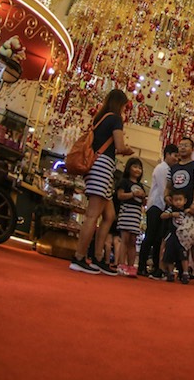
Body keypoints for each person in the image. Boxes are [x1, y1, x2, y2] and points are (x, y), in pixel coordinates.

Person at [70, 89, 133, 274]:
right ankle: (79, 257)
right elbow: (119, 146)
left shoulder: (100, 118)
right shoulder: (115, 119)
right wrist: (127, 150)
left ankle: (98, 258)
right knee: (92, 215)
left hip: (98, 166)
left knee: (109, 216)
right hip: (102, 166)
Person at [169, 137, 194, 285]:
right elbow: (168, 186)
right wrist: (167, 197)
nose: (182, 148)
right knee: (172, 240)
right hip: (173, 209)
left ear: (192, 149)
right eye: (180, 145)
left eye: (186, 145)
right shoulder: (173, 168)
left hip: (189, 209)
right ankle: (172, 271)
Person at [139, 143, 179, 278]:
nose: (176, 159)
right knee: (150, 237)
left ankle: (155, 267)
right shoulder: (163, 169)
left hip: (160, 207)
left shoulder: (168, 169)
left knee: (157, 239)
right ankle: (141, 266)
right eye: (175, 155)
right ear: (167, 154)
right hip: (156, 206)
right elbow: (164, 190)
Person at [114, 157, 145, 278]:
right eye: (135, 166)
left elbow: (142, 202)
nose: (138, 170)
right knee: (125, 240)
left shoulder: (140, 185)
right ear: (129, 168)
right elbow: (120, 196)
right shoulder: (124, 182)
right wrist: (133, 194)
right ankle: (121, 264)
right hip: (126, 212)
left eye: (140, 167)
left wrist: (142, 197)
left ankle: (131, 266)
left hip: (136, 214)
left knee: (133, 241)